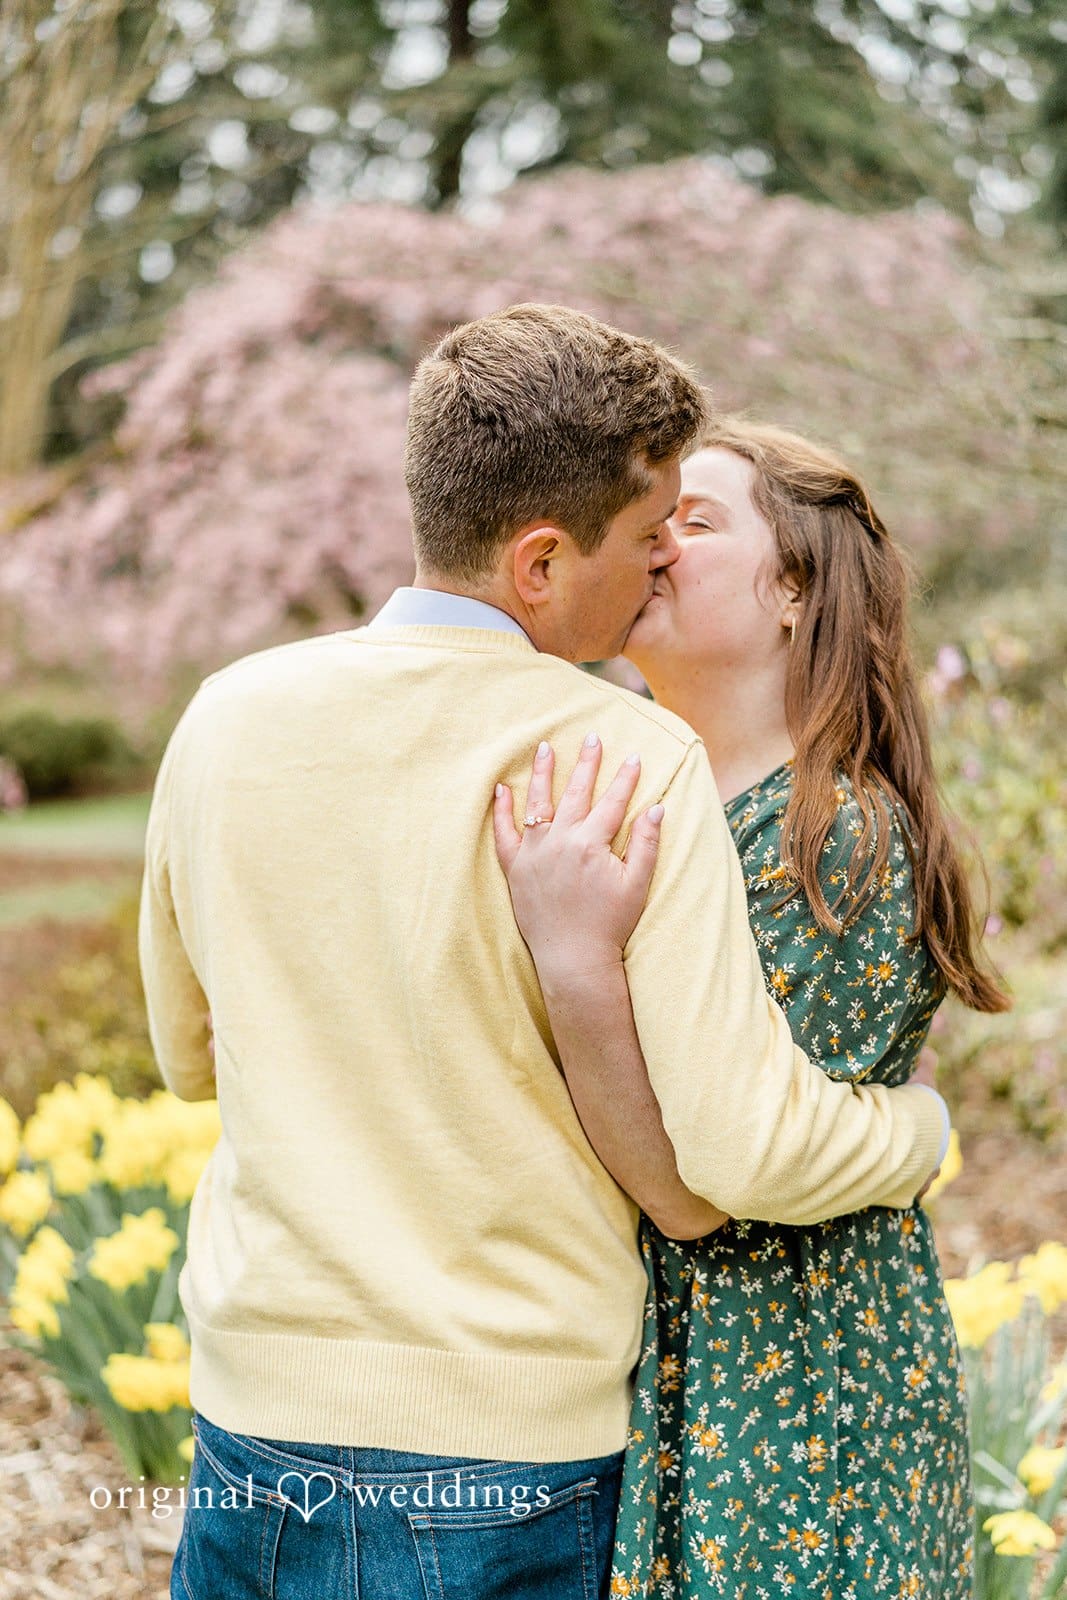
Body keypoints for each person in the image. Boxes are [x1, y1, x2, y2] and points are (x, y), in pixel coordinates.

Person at [139, 307, 950, 1600]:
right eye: (642, 540)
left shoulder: (225, 718)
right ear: (534, 562)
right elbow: (728, 1157)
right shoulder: (623, 761)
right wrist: (916, 1134)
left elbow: (188, 1058)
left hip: (253, 1430)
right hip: (508, 1462)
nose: (654, 573)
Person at [492, 420, 1009, 1598]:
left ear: (793, 591)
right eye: (650, 525)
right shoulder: (640, 810)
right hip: (694, 1364)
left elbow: (700, 1180)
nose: (655, 549)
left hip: (798, 1386)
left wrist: (575, 962)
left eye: (697, 520)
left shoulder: (830, 837)